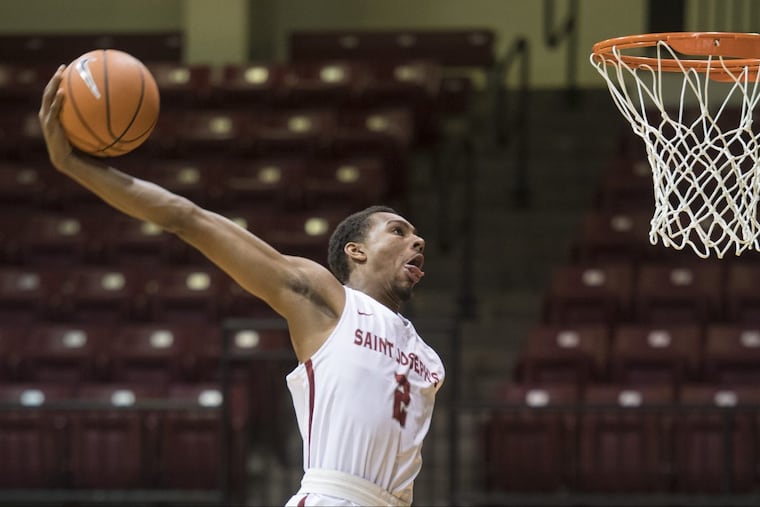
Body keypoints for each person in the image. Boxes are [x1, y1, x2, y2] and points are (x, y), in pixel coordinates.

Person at [39, 66, 445, 507]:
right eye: (398, 231)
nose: (416, 239)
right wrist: (72, 165)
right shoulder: (327, 301)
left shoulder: (428, 359)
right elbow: (186, 218)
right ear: (356, 251)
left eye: (415, 234)